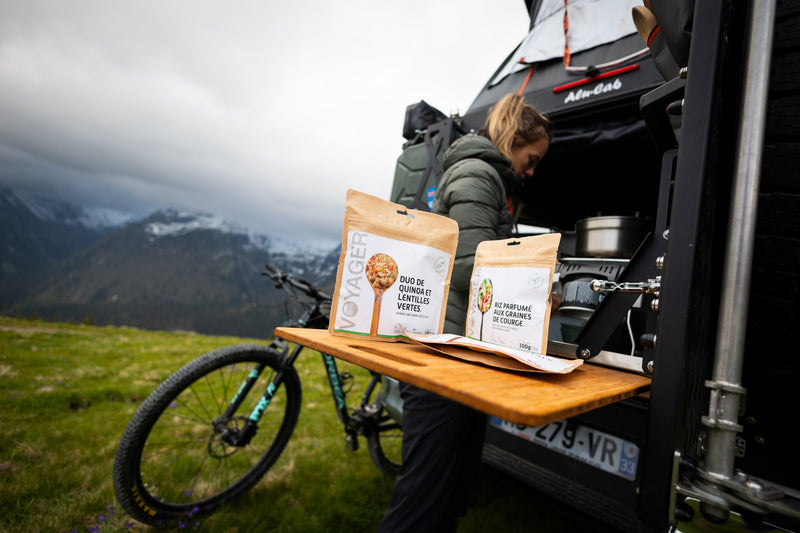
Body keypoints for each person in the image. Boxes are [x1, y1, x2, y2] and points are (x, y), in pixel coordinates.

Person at [377, 93, 552, 532]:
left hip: (456, 354)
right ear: (512, 139)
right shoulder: (478, 175)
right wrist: (532, 287)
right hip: (442, 361)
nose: (532, 171)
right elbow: (468, 269)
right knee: (421, 501)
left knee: (448, 489)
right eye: (531, 159)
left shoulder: (487, 178)